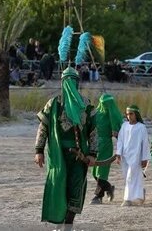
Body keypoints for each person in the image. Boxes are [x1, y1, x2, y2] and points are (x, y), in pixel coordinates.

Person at [34, 67, 97, 227]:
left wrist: (92, 154)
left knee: (75, 191)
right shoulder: (54, 104)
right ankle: (60, 223)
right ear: (62, 83)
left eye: (73, 81)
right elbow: (43, 128)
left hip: (79, 156)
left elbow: (94, 132)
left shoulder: (87, 105)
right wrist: (39, 150)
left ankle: (68, 224)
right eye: (66, 81)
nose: (70, 84)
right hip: (58, 156)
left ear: (77, 83)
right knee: (58, 189)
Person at [90, 94, 124, 204]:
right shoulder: (97, 113)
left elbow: (118, 130)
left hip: (106, 144)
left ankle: (98, 196)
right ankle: (109, 188)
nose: (106, 106)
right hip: (94, 144)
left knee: (102, 171)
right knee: (94, 172)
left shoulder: (113, 114)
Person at [116, 105, 150, 206]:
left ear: (136, 115)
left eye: (131, 114)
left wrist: (144, 158)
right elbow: (120, 140)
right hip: (125, 156)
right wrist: (118, 153)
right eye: (127, 114)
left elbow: (145, 144)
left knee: (131, 177)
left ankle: (127, 199)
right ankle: (139, 194)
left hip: (136, 156)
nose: (129, 116)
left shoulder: (141, 127)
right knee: (128, 176)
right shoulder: (124, 126)